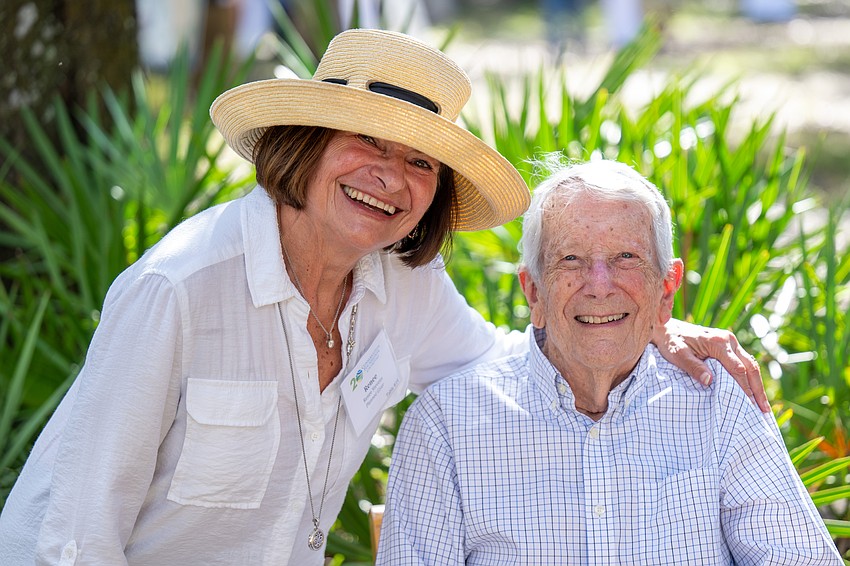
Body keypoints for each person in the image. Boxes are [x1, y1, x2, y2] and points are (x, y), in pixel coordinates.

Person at [0, 30, 762, 565]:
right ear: (304, 138)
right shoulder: (179, 290)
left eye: (419, 161)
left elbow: (524, 363)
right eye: (367, 143)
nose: (390, 177)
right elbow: (69, 537)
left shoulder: (403, 289)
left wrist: (654, 327)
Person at [377, 159, 841, 565]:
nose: (599, 285)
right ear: (533, 291)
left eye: (626, 257)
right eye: (572, 259)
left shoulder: (716, 399)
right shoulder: (447, 424)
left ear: (666, 287)